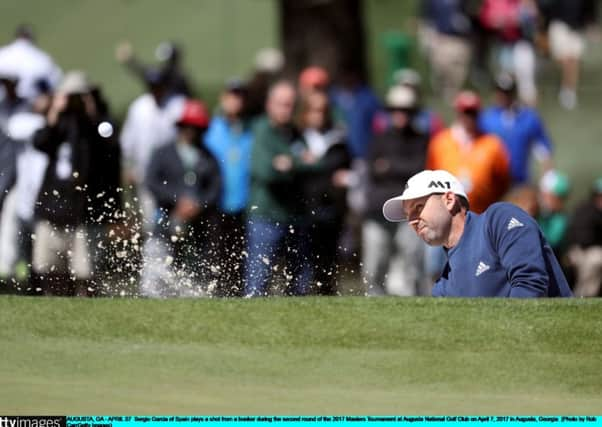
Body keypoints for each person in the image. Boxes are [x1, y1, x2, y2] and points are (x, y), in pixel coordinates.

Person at [382, 169, 573, 297]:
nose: (412, 221)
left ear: (449, 199)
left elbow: (530, 285)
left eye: (419, 207)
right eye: (408, 215)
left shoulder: (499, 219)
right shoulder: (442, 287)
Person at [141, 99, 221, 298]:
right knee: (156, 276)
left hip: (196, 228)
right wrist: (177, 200)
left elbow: (215, 190)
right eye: (187, 126)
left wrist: (198, 205)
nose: (190, 131)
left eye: (195, 127)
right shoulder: (162, 153)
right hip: (164, 222)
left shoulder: (208, 157)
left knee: (192, 280)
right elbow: (151, 182)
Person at [244, 80, 314, 297]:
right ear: (269, 104)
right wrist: (297, 163)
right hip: (266, 217)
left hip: (295, 216)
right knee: (259, 282)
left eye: (290, 104)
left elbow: (315, 165)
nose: (287, 109)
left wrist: (288, 163)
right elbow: (266, 171)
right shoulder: (261, 131)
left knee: (299, 283)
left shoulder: (295, 133)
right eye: (282, 104)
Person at [362, 85, 429, 296]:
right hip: (377, 209)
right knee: (374, 267)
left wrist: (390, 167)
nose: (401, 115)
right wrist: (400, 168)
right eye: (396, 110)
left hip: (409, 212)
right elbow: (372, 169)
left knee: (412, 264)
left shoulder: (421, 140)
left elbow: (418, 169)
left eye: (406, 110)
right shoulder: (379, 139)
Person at [297, 90, 350, 295]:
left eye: (322, 110)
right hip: (302, 210)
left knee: (327, 265)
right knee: (301, 265)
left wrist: (313, 163)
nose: (318, 115)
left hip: (330, 211)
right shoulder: (297, 137)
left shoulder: (337, 140)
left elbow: (344, 169)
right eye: (314, 110)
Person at [204, 79, 254, 296]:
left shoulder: (251, 129)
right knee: (216, 260)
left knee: (241, 262)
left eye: (240, 96)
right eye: (232, 95)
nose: (236, 101)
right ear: (223, 98)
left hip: (244, 206)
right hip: (216, 205)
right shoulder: (211, 129)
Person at [427, 90, 511, 214]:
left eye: (473, 113)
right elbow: (431, 176)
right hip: (448, 215)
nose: (469, 117)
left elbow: (503, 180)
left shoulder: (492, 144)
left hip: (482, 214)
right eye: (465, 112)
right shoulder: (440, 143)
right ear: (458, 113)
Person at [479, 73, 554, 186]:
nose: (503, 96)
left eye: (507, 92)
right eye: (500, 92)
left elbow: (544, 152)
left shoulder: (529, 118)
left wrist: (546, 181)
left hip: (520, 183)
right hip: (493, 184)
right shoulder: (486, 119)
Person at [0, 25, 62, 101]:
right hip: (31, 105)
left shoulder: (3, 54)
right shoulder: (43, 59)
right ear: (31, 38)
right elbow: (54, 84)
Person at [565, 177, 602, 297]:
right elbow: (584, 240)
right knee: (596, 259)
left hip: (589, 250)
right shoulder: (586, 211)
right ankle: (582, 296)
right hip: (577, 251)